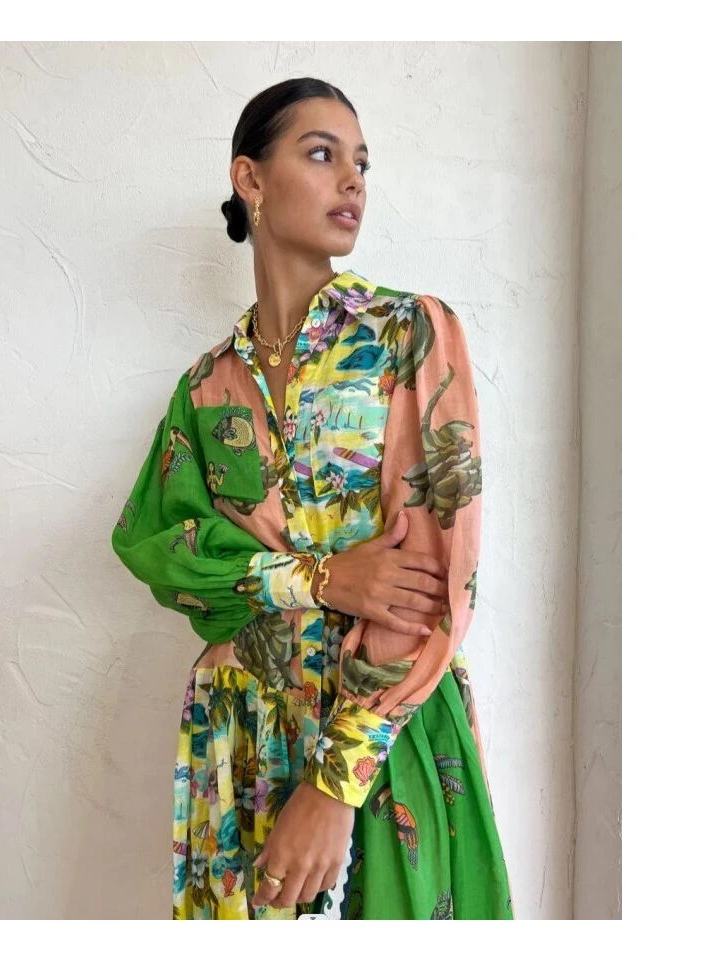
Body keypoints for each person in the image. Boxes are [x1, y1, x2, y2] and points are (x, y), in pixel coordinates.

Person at [111, 77, 514, 920]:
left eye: (361, 161)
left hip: (378, 740)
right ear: (250, 178)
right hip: (240, 740)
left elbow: (432, 585)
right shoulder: (206, 389)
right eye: (322, 154)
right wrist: (321, 578)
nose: (353, 179)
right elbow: (165, 558)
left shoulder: (407, 335)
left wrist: (335, 785)